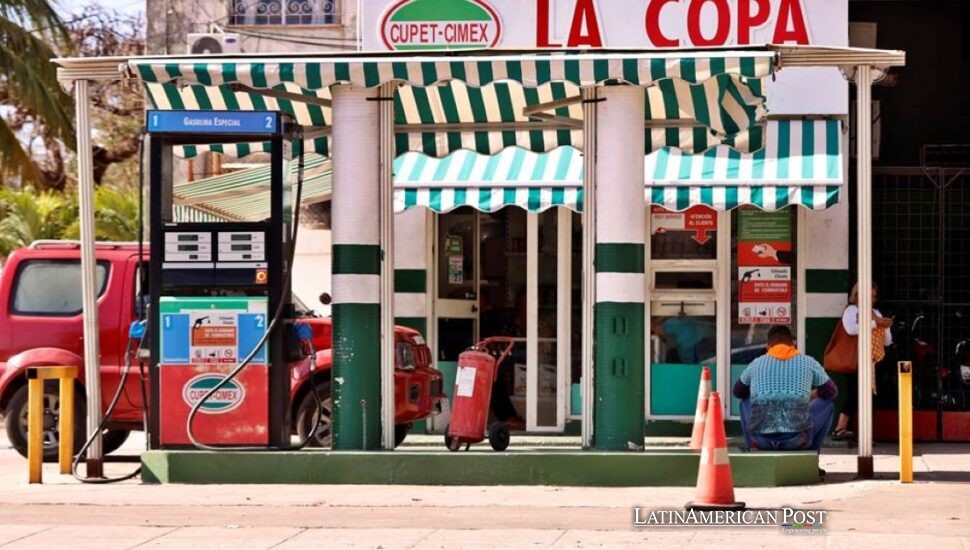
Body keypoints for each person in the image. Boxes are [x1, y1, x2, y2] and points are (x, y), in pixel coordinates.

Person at [733, 325, 837, 451]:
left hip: (761, 440)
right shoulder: (809, 362)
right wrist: (810, 395)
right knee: (827, 404)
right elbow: (831, 392)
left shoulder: (756, 364)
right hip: (797, 439)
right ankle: (813, 455)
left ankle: (751, 447)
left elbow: (738, 392)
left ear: (768, 346)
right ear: (792, 344)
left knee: (745, 401)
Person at [829, 283, 893, 441]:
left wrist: (885, 328)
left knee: (867, 396)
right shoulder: (852, 311)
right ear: (857, 295)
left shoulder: (876, 312)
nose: (871, 299)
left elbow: (887, 341)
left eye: (873, 296)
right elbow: (851, 329)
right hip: (855, 359)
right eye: (868, 295)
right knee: (855, 393)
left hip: (871, 360)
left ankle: (860, 432)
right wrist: (875, 324)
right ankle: (840, 427)